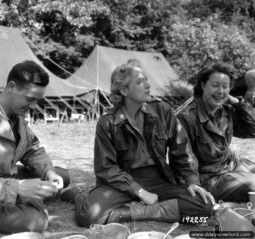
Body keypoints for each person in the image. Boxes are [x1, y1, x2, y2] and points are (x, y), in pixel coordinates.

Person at [73, 62, 214, 227]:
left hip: (158, 179)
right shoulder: (107, 123)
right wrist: (139, 191)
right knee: (87, 216)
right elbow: (106, 168)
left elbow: (182, 149)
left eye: (146, 80)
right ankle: (79, 195)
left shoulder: (163, 110)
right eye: (140, 82)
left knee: (204, 207)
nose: (148, 85)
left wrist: (192, 182)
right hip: (121, 183)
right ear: (124, 91)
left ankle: (133, 212)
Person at [0, 60, 70, 234]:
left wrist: (48, 171)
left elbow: (33, 149)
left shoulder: (17, 114)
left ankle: (37, 197)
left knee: (62, 176)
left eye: (37, 100)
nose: (33, 106)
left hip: (8, 179)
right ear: (11, 87)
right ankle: (35, 202)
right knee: (37, 222)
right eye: (30, 99)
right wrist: (17, 189)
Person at [177, 62, 255, 203]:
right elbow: (184, 157)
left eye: (225, 86)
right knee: (253, 185)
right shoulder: (186, 117)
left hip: (230, 163)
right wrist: (193, 184)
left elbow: (251, 130)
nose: (220, 91)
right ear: (202, 85)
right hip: (208, 177)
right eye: (215, 85)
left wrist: (238, 103)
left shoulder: (225, 110)